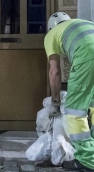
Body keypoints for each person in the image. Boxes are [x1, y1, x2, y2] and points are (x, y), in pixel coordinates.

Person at [44, 12, 94, 171]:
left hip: (87, 55)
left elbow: (55, 72)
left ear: (51, 27)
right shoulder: (82, 23)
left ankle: (88, 160)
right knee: (92, 105)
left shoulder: (51, 35)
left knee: (74, 111)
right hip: (89, 52)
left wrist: (55, 101)